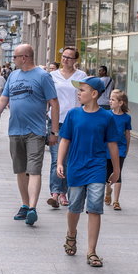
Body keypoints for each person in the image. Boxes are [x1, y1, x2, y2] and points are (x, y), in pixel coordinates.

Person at [0, 44, 58, 226]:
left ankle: (33, 207)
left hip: (35, 131)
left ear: (24, 57)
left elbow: (54, 103)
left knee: (33, 170)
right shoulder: (13, 76)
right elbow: (4, 98)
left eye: (16, 57)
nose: (13, 60)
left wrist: (54, 131)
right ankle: (25, 205)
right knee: (20, 170)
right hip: (15, 130)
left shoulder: (43, 76)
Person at [56, 76, 120, 268]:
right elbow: (65, 140)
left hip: (97, 167)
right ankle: (71, 234)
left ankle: (92, 251)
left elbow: (113, 145)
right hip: (76, 166)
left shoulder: (107, 117)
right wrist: (60, 163)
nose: (78, 93)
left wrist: (116, 170)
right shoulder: (73, 114)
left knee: (95, 207)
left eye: (82, 90)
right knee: (74, 206)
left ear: (94, 94)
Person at [48, 46, 88, 208]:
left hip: (75, 121)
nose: (66, 60)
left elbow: (85, 96)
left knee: (70, 159)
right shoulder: (52, 75)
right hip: (56, 120)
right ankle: (56, 192)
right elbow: (47, 98)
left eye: (69, 57)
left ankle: (64, 191)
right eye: (64, 56)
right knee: (57, 158)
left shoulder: (81, 76)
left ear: (75, 60)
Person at [104, 89, 131, 210]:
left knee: (118, 173)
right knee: (108, 174)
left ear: (120, 103)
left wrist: (126, 149)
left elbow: (127, 134)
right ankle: (108, 190)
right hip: (107, 149)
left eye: (113, 99)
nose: (110, 101)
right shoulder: (106, 115)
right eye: (110, 99)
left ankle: (116, 201)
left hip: (120, 149)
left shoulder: (126, 118)